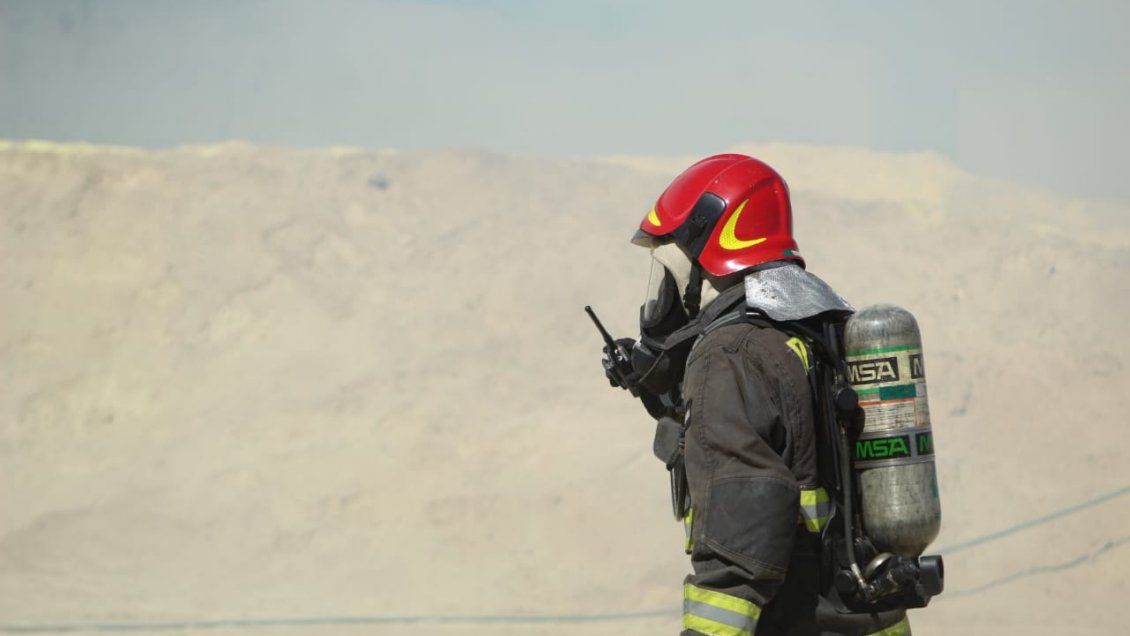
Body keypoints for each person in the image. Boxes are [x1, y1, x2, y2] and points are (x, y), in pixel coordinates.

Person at [608, 154, 912, 636]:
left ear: (705, 263)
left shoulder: (730, 354)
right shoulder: (821, 329)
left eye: (670, 269)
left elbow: (741, 541)